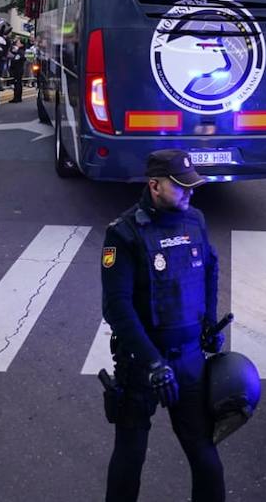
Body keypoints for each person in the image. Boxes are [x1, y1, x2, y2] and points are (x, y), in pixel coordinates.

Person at [100, 149, 224, 502]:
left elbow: (211, 269)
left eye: (193, 186)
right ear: (154, 186)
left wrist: (210, 322)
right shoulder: (123, 235)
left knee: (204, 454)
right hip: (143, 366)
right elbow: (116, 307)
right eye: (181, 187)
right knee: (130, 456)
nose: (190, 192)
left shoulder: (196, 220)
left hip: (188, 362)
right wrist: (153, 363)